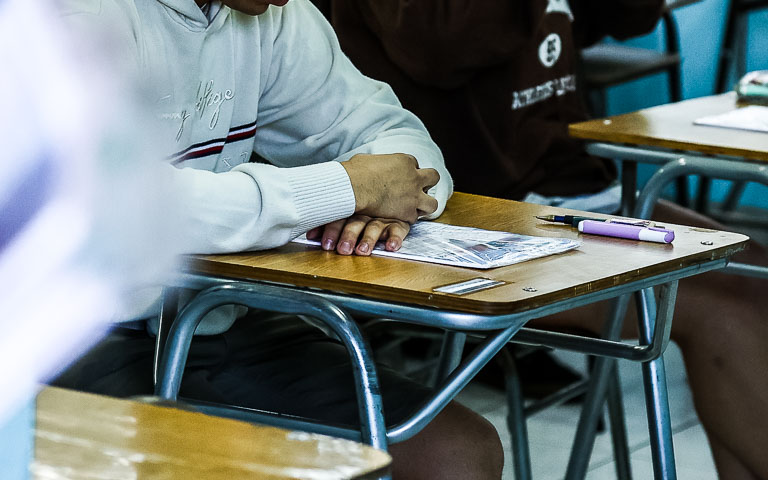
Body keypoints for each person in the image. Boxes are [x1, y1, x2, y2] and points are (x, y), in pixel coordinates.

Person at [52, 1, 504, 478]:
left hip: (214, 315)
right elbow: (117, 203)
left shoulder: (273, 14)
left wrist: (387, 202)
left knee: (457, 454)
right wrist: (343, 189)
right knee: (219, 466)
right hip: (76, 338)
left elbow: (392, 133)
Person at [329, 1, 768, 478]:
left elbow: (629, 17)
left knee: (752, 267)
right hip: (478, 209)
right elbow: (438, 46)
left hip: (569, 187)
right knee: (729, 303)